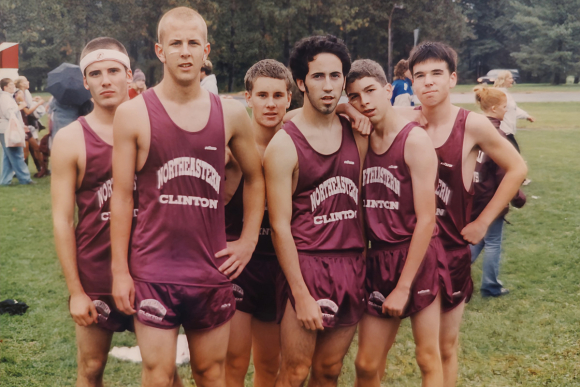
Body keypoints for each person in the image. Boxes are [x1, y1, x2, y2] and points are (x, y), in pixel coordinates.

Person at [110, 7, 265, 387]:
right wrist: (119, 271)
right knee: (158, 376)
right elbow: (121, 198)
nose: (184, 51)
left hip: (210, 269)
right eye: (175, 43)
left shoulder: (230, 114)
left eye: (192, 43)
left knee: (210, 374)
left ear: (205, 50)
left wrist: (246, 241)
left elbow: (255, 176)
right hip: (153, 269)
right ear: (160, 50)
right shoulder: (132, 114)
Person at [264, 35, 367, 387]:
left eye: (335, 76)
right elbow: (279, 227)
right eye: (318, 77)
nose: (328, 86)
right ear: (301, 82)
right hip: (306, 265)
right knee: (294, 372)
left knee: (329, 371)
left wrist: (350, 108)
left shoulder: (357, 133)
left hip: (352, 263)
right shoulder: (284, 144)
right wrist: (301, 294)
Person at [345, 59, 443, 387]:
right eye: (355, 96)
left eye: (371, 91)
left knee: (427, 357)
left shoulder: (413, 141)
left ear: (388, 89)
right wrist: (346, 110)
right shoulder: (361, 138)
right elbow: (293, 117)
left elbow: (427, 220)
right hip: (379, 257)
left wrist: (403, 287)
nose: (365, 102)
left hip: (417, 255)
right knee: (366, 364)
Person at [51, 37, 140, 387]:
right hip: (96, 274)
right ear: (85, 82)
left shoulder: (152, 128)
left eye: (114, 71)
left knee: (162, 371)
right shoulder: (72, 138)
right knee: (90, 369)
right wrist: (76, 290)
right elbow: (61, 219)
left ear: (128, 76)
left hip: (150, 268)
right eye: (96, 73)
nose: (106, 80)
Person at [224, 59, 292, 387]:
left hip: (278, 265)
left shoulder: (296, 145)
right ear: (247, 98)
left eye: (278, 95)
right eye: (262, 95)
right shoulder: (230, 147)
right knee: (233, 360)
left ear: (289, 99)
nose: (270, 103)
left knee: (269, 364)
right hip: (238, 265)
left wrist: (350, 112)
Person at [471, 86, 526, 297]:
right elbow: (505, 175)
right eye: (504, 107)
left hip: (474, 195)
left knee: (479, 237)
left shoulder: (473, 129)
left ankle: (451, 270)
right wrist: (518, 198)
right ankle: (490, 285)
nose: (506, 110)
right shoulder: (498, 136)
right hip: (490, 198)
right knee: (492, 241)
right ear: (494, 108)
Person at [0, 78, 33, 186]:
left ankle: (5, 181)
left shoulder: (7, 97)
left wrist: (22, 126)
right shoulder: (5, 98)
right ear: (5, 87)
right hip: (7, 129)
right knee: (16, 154)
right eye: (10, 85)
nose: (13, 86)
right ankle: (25, 179)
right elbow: (9, 114)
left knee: (8, 156)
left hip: (6, 129)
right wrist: (20, 107)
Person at [493, 70, 534, 153]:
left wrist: (526, 116)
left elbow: (513, 109)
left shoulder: (506, 93)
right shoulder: (499, 94)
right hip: (503, 131)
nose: (512, 80)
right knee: (514, 155)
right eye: (510, 78)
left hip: (508, 131)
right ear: (503, 79)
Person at [13, 88, 48, 177]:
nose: (22, 95)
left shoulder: (22, 103)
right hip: (22, 129)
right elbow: (27, 112)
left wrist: (32, 100)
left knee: (37, 148)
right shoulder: (18, 104)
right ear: (16, 95)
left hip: (27, 129)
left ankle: (43, 169)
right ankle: (18, 172)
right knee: (24, 154)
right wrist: (39, 104)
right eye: (20, 94)